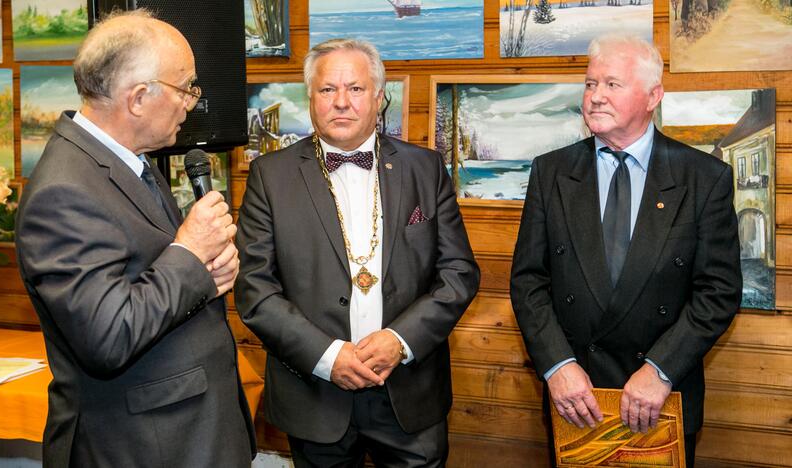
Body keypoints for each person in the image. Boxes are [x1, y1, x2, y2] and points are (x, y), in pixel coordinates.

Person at [15, 10, 255, 467]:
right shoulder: (64, 191)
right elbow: (108, 335)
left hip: (187, 429)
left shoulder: (131, 160)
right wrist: (191, 254)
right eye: (186, 88)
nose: (192, 103)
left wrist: (204, 274)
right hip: (143, 445)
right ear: (139, 98)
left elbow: (149, 275)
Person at [236, 38, 480, 467]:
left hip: (409, 393)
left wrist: (400, 341)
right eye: (328, 90)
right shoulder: (268, 176)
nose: (341, 103)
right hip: (315, 395)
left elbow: (458, 272)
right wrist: (329, 357)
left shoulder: (425, 168)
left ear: (379, 96)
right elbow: (255, 290)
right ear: (311, 98)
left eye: (356, 89)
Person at [509, 33, 741, 467]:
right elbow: (528, 282)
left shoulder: (703, 178)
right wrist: (557, 366)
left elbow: (718, 292)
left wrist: (660, 370)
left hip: (660, 399)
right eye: (590, 84)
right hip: (575, 398)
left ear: (653, 95)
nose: (595, 96)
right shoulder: (551, 172)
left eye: (611, 84)